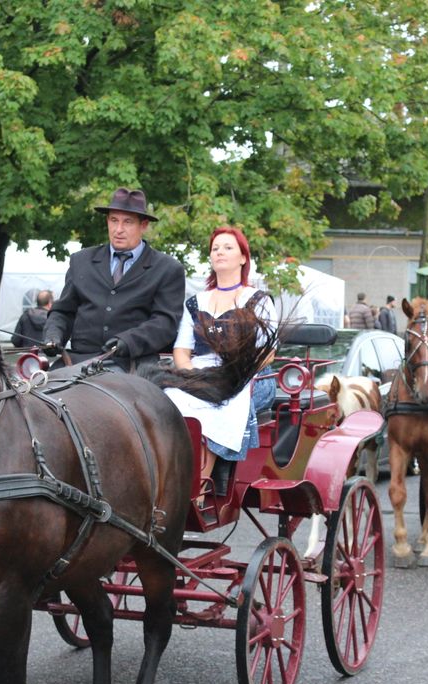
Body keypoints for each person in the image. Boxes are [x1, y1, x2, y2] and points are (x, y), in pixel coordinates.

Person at [163, 226, 276, 489]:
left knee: (219, 403)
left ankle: (198, 488)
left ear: (243, 258)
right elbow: (181, 349)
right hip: (200, 370)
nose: (220, 252)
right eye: (215, 248)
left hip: (248, 375)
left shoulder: (257, 299)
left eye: (228, 247)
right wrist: (190, 375)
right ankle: (167, 477)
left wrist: (235, 374)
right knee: (171, 399)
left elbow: (268, 353)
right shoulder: (197, 301)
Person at [42, 187, 184, 371]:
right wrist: (53, 336)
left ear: (144, 225)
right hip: (77, 361)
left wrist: (128, 341)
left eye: (128, 222)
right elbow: (63, 312)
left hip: (133, 364)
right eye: (113, 220)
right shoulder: (81, 261)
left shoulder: (167, 269)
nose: (118, 229)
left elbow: (165, 323)